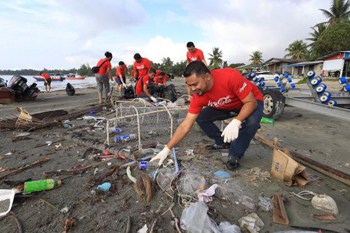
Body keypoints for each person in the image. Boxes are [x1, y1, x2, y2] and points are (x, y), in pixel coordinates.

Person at [150, 61, 264, 170]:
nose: (193, 89)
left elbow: (251, 103)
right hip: (225, 106)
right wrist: (167, 148)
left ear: (207, 77)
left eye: (195, 84)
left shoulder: (229, 76)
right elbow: (185, 125)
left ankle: (235, 153)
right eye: (189, 85)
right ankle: (222, 142)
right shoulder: (198, 96)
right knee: (201, 118)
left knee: (252, 122)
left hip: (250, 100)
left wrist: (237, 120)